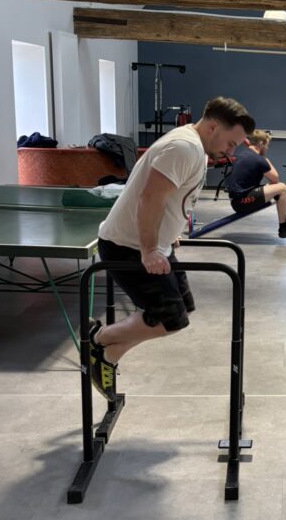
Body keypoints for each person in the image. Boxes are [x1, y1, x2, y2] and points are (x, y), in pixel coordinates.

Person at [88, 96, 255, 400]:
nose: (231, 152)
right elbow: (150, 197)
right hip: (129, 246)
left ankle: (107, 356)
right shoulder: (184, 147)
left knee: (181, 310)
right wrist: (149, 249)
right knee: (170, 319)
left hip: (156, 244)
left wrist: (168, 233)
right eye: (231, 143)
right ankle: (99, 339)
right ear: (213, 127)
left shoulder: (195, 148)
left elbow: (171, 198)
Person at [227, 129, 286, 240]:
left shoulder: (243, 154)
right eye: (266, 145)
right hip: (241, 202)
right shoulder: (258, 159)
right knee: (282, 188)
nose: (267, 148)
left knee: (277, 189)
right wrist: (266, 159)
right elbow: (275, 179)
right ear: (261, 143)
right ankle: (284, 228)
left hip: (238, 200)